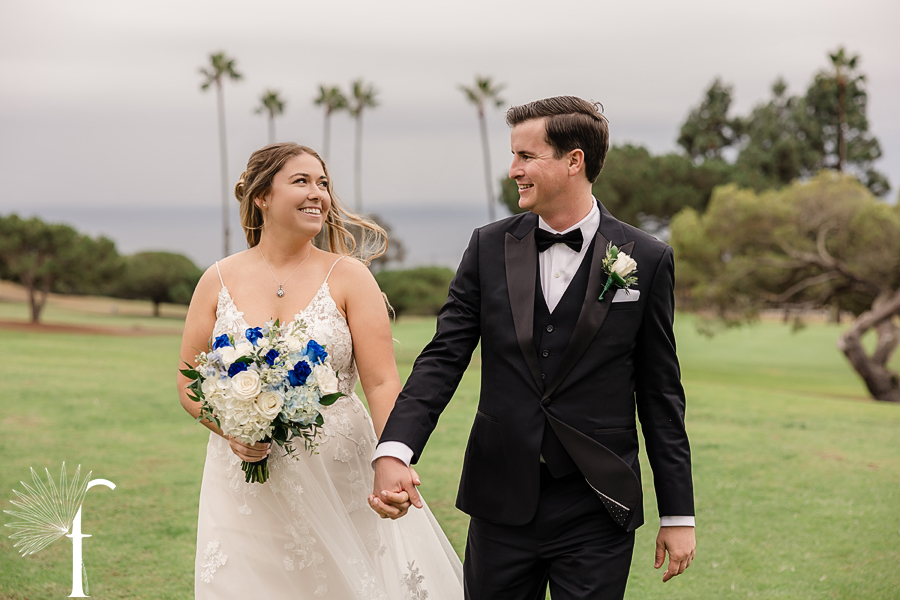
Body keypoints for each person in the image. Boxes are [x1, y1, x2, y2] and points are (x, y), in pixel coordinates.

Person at [370, 96, 696, 599]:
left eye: (527, 156)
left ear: (574, 160)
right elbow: (444, 357)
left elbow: (660, 393)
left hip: (597, 502)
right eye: (513, 156)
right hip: (499, 497)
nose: (513, 170)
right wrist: (395, 449)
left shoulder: (647, 259)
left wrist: (678, 513)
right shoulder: (487, 246)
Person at [177, 142, 463, 599]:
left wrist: (393, 458)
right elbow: (188, 380)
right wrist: (231, 429)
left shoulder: (350, 277)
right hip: (245, 484)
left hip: (338, 471)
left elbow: (383, 382)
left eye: (323, 183)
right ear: (262, 197)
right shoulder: (218, 279)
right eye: (302, 182)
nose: (319, 194)